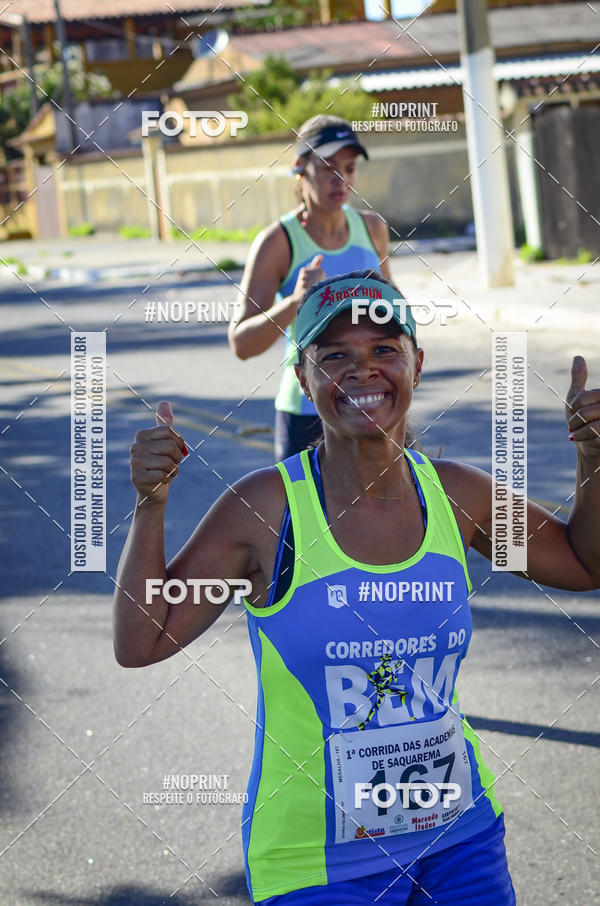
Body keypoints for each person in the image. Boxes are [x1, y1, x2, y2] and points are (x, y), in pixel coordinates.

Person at [114, 270, 600, 905]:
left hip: (459, 840)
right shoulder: (268, 510)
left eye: (384, 350)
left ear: (417, 365)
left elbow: (581, 564)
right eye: (335, 354)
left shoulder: (455, 499)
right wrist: (150, 508)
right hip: (317, 861)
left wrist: (593, 460)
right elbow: (143, 640)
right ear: (303, 378)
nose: (362, 370)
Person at [228, 114, 391, 461]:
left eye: (349, 169)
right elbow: (241, 343)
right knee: (308, 515)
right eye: (328, 167)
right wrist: (295, 302)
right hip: (307, 412)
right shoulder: (277, 242)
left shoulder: (373, 229)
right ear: (300, 168)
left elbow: (393, 317)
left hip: (371, 402)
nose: (341, 180)